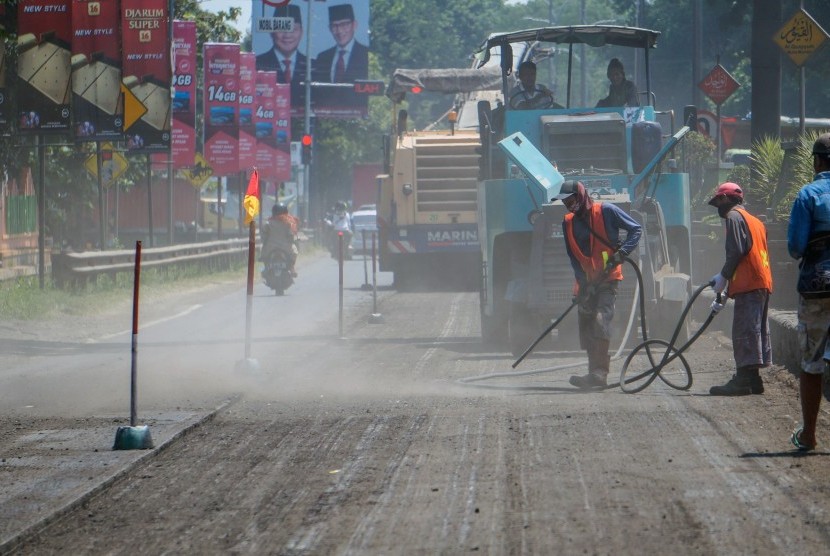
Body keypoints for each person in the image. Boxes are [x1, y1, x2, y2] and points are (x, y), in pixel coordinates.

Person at [552, 180, 642, 389]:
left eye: (571, 200)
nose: (568, 205)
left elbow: (635, 230)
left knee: (600, 319)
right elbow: (573, 258)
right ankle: (593, 373)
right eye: (564, 202)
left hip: (609, 278)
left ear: (581, 196)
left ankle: (600, 373)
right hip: (587, 282)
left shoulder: (607, 211)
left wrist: (622, 253)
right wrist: (584, 286)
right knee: (586, 324)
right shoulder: (567, 223)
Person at [706, 182, 773, 396]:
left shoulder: (734, 217)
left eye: (718, 201)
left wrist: (723, 277)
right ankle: (754, 379)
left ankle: (743, 380)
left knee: (744, 331)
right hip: (760, 281)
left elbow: (737, 251)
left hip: (750, 283)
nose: (718, 207)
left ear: (726, 199)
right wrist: (726, 292)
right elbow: (750, 254)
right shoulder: (756, 221)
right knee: (754, 330)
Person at [787, 132, 830, 451]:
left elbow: (796, 246)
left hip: (817, 288)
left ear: (816, 161)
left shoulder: (808, 194)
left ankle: (810, 434)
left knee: (812, 362)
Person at [255, 4, 307, 110]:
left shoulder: (313, 66)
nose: (287, 35)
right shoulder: (257, 64)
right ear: (271, 32)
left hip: (304, 123)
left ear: (301, 32)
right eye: (282, 28)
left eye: (293, 29)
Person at [312, 4, 369, 84]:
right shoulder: (323, 57)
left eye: (344, 25)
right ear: (329, 29)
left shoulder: (365, 54)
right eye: (334, 26)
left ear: (354, 25)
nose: (339, 31)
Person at [261, 203, 299, 277]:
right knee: (295, 252)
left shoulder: (268, 223)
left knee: (263, 253)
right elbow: (291, 236)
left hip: (270, 248)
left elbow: (264, 236)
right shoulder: (288, 223)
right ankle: (292, 268)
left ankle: (266, 268)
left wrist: (265, 241)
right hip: (286, 248)